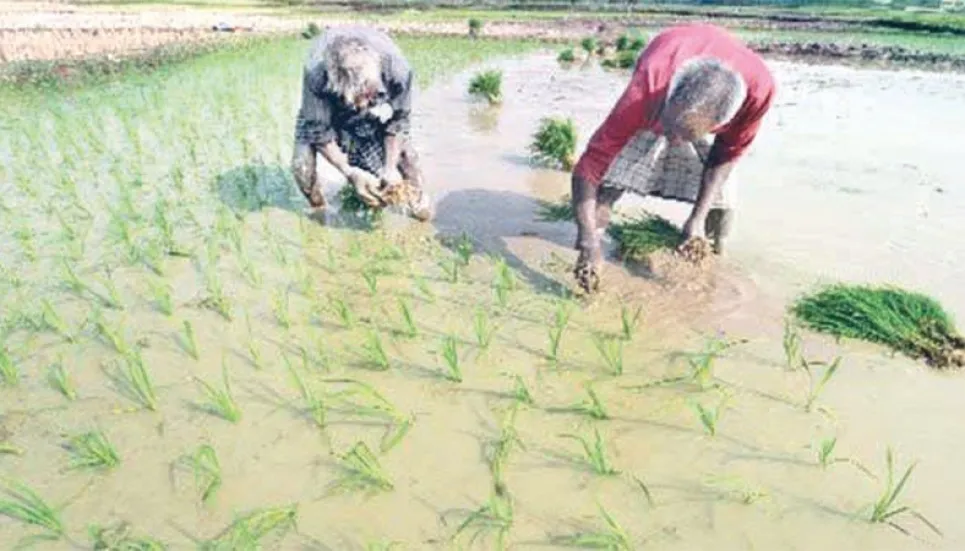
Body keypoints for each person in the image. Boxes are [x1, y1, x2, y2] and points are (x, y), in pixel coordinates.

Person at [570, 23, 776, 293]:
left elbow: (725, 157)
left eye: (684, 136)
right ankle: (592, 237)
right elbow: (590, 166)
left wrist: (697, 219)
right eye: (670, 130)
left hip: (707, 103)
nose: (672, 142)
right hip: (664, 80)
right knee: (609, 184)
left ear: (722, 122)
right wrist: (588, 243)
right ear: (669, 98)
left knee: (721, 205)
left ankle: (712, 254)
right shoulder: (648, 87)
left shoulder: (758, 94)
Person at [291, 25, 433, 221]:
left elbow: (399, 121)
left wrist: (390, 168)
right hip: (330, 107)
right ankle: (320, 210)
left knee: (407, 158)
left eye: (367, 95)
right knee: (302, 168)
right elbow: (318, 130)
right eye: (355, 99)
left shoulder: (397, 70)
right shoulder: (317, 74)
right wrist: (350, 172)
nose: (362, 105)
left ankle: (420, 211)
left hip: (370, 90)